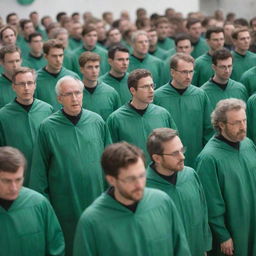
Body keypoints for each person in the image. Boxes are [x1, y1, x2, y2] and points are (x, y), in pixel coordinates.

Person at [30, 75, 111, 256]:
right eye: (68, 94)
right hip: (64, 205)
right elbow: (39, 172)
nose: (74, 98)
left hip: (97, 197)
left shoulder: (97, 121)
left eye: (78, 93)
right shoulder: (48, 127)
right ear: (59, 98)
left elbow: (110, 163)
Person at [73, 142, 191, 256]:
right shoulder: (92, 221)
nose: (139, 184)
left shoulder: (162, 202)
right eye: (130, 179)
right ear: (111, 180)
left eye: (141, 175)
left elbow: (180, 249)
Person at [196, 98, 256, 256]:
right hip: (233, 231)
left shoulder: (248, 145)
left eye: (244, 121)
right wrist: (223, 235)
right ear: (221, 124)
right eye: (236, 123)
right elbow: (210, 202)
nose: (243, 127)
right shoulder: (209, 158)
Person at [146, 128, 212, 256]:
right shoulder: (144, 188)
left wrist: (204, 246)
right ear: (157, 158)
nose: (182, 157)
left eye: (182, 150)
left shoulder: (191, 175)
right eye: (175, 153)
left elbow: (203, 212)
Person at [0, 146, 65, 256]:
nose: (14, 187)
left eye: (18, 180)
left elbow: (56, 247)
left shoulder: (39, 204)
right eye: (6, 181)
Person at [154, 53, 213, 167]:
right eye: (184, 72)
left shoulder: (200, 95)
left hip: (197, 155)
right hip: (167, 159)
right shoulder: (158, 97)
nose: (188, 76)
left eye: (191, 71)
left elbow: (209, 129)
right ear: (172, 72)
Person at [107, 69, 176, 163]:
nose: (151, 91)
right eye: (145, 87)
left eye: (152, 86)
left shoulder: (163, 114)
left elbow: (173, 144)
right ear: (133, 90)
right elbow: (111, 154)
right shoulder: (116, 119)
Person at [0, 67, 53, 186]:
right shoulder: (3, 116)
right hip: (16, 176)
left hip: (45, 173)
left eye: (30, 83)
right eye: (21, 84)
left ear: (35, 85)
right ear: (13, 86)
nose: (26, 88)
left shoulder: (47, 110)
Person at [35, 39, 79, 111]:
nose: (58, 59)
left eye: (61, 55)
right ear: (46, 56)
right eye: (54, 56)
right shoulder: (36, 78)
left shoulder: (73, 77)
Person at [79, 51, 121, 120]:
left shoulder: (111, 93)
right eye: (89, 67)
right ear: (81, 69)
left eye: (96, 67)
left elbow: (118, 120)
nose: (94, 71)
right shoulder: (75, 93)